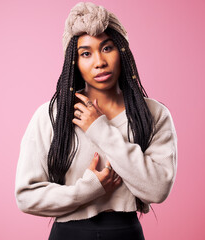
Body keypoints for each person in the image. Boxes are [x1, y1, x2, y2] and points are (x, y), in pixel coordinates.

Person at [15, 2, 178, 240]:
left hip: (126, 232)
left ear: (122, 51)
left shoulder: (153, 114)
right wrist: (88, 190)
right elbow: (26, 196)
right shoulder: (53, 115)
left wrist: (99, 129)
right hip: (68, 233)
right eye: (86, 53)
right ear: (75, 62)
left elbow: (158, 189)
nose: (99, 61)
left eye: (107, 48)